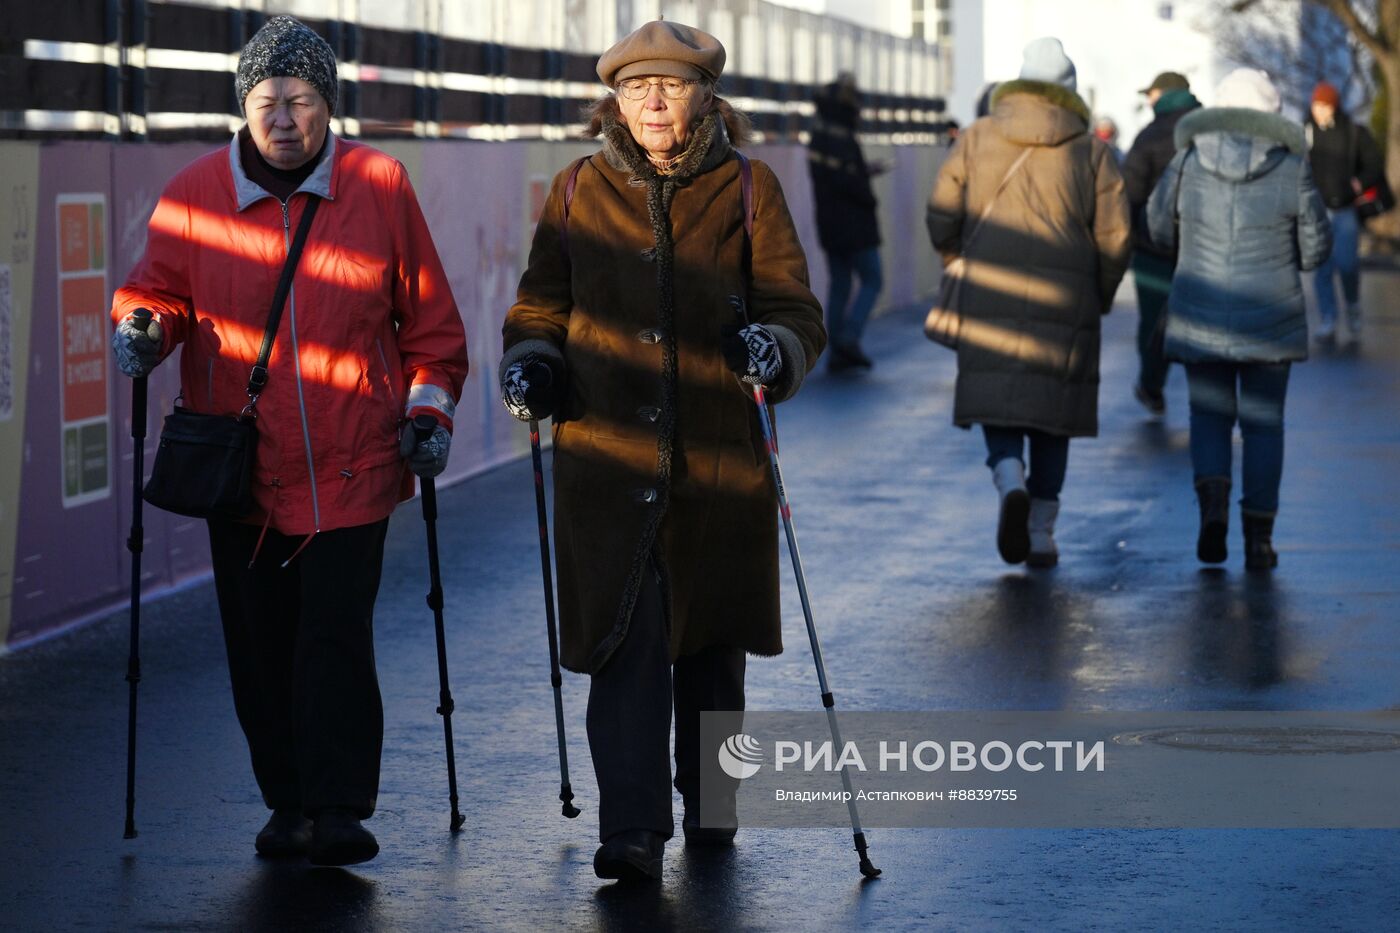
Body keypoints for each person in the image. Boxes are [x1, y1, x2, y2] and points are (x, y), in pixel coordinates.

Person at [109, 16, 469, 865]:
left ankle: (339, 805)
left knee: (335, 636)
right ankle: (286, 801)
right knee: (261, 645)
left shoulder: (379, 185)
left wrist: (429, 411)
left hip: (356, 461)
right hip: (244, 473)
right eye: (266, 100)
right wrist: (142, 329)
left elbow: (433, 328)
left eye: (300, 100)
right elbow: (154, 294)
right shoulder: (194, 192)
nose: (282, 118)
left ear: (327, 106)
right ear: (243, 106)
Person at [498, 20, 824, 884]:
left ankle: (714, 805)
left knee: (712, 648)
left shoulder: (749, 189)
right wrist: (531, 363)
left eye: (672, 86)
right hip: (606, 462)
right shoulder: (577, 189)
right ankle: (632, 829)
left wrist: (774, 349)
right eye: (637, 86)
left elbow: (797, 310)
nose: (652, 100)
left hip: (718, 461)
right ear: (615, 99)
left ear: (706, 96)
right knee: (627, 644)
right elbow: (539, 306)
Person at [926, 37, 1130, 568]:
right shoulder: (1093, 151)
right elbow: (1115, 237)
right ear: (1069, 91)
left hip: (988, 287)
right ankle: (1041, 530)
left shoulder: (977, 137)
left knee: (1001, 394)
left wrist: (953, 256)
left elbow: (943, 208)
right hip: (1068, 298)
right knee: (1053, 414)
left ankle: (1008, 474)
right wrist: (1100, 295)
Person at [1148, 68, 1330, 570]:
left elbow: (1158, 228)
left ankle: (1213, 510)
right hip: (1270, 317)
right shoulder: (1292, 168)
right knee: (1264, 426)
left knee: (1208, 416)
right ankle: (1259, 540)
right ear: (1270, 115)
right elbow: (1315, 250)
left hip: (1200, 312)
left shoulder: (1186, 162)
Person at [1122, 71, 1202, 416]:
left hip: (1153, 249)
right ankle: (1208, 393)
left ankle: (1152, 386)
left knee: (1154, 322)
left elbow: (1129, 195)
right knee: (1204, 322)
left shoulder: (1149, 136)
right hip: (1204, 247)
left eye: (1151, 93)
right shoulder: (1210, 129)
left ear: (1165, 94)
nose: (1148, 100)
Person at [809, 72, 885, 371]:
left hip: (828, 222)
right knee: (872, 278)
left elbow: (834, 177)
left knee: (840, 283)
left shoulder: (819, 132)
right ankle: (849, 338)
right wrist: (869, 193)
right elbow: (849, 181)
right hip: (855, 223)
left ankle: (836, 352)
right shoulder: (843, 134)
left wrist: (861, 172)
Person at [1305, 80, 1385, 343]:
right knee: (1322, 268)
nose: (1318, 111)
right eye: (1315, 105)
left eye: (1323, 105)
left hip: (1346, 209)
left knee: (1348, 264)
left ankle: (1352, 306)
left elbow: (1374, 164)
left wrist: (1359, 182)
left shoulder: (1353, 132)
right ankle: (1329, 318)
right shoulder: (1306, 133)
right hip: (1318, 211)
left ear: (1333, 106)